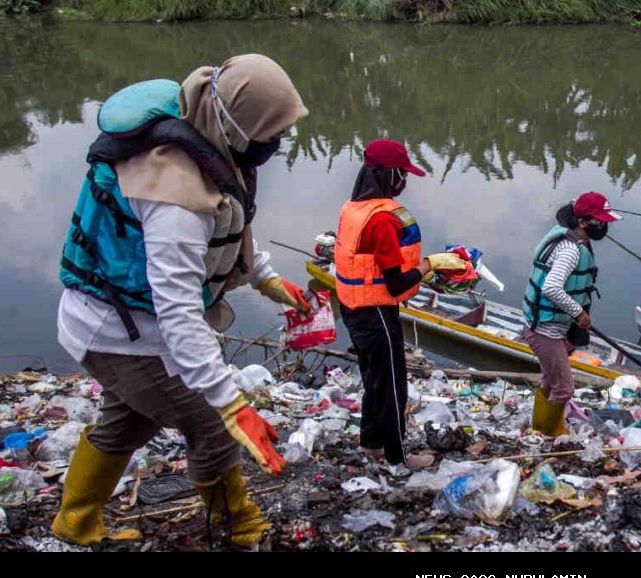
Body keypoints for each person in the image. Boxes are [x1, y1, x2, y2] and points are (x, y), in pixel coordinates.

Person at [53, 54, 310, 548]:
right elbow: (178, 311)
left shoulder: (210, 133)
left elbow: (228, 218)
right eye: (271, 132)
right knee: (211, 425)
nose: (276, 142)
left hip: (132, 319)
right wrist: (230, 403)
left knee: (130, 420)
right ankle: (240, 524)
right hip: (117, 330)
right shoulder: (173, 194)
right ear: (241, 123)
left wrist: (266, 278)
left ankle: (75, 521)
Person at [333, 139, 464, 476]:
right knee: (393, 384)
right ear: (389, 174)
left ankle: (371, 442)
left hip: (353, 306)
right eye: (402, 173)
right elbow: (395, 284)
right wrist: (431, 264)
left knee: (374, 379)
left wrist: (422, 272)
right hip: (376, 311)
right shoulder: (382, 220)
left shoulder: (354, 208)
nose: (404, 180)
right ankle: (397, 457)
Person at [522, 192, 619, 437]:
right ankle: (546, 436)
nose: (603, 226)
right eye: (599, 221)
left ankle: (541, 428)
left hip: (553, 326)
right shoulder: (570, 250)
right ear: (583, 222)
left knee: (550, 380)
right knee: (564, 389)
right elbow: (551, 287)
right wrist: (579, 313)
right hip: (544, 329)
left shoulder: (574, 239)